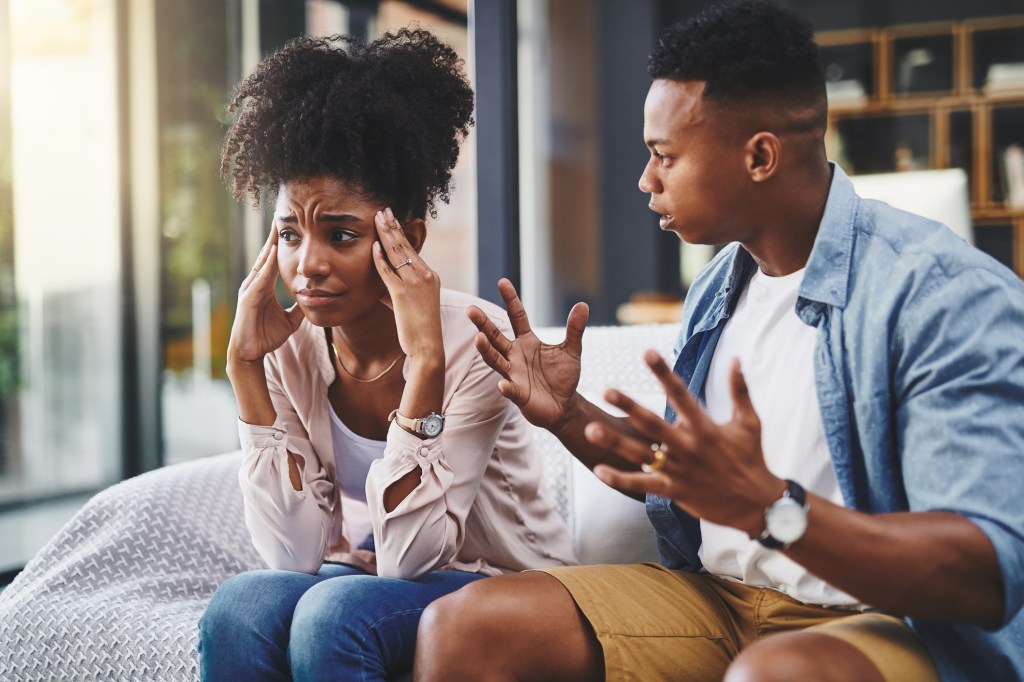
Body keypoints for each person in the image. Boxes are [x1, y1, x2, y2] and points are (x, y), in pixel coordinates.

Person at [414, 2, 1024, 681]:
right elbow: (700, 479)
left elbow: (987, 571)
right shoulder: (718, 290)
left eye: (662, 155)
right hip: (720, 604)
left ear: (760, 155)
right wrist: (570, 414)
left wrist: (773, 511)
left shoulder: (942, 295)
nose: (646, 180)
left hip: (878, 620)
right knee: (466, 628)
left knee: (772, 673)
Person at [197, 29, 575, 681]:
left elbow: (413, 559)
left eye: (339, 234)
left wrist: (425, 369)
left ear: (409, 239)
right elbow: (292, 555)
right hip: (380, 572)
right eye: (289, 234)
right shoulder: (291, 348)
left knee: (334, 615)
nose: (306, 265)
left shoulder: (472, 344)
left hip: (509, 583)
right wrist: (246, 374)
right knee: (240, 606)